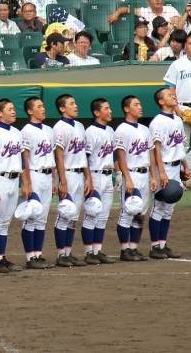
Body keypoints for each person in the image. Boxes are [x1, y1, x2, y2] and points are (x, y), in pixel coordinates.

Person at [0, 98, 28, 273]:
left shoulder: (17, 132)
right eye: (9, 109)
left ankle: (1, 257)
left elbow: (21, 162)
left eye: (13, 108)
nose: (13, 111)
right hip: (0, 179)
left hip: (14, 180)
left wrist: (25, 182)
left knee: (5, 223)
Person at [51, 94, 92, 267]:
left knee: (74, 216)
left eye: (75, 103)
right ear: (62, 108)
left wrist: (88, 176)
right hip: (67, 173)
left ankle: (68, 252)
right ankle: (61, 254)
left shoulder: (80, 126)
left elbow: (82, 155)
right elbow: (58, 157)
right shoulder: (59, 127)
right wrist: (63, 181)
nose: (75, 106)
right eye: (71, 103)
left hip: (79, 174)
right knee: (65, 214)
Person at [115, 96, 157, 262]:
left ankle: (133, 248)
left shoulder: (145, 130)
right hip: (131, 174)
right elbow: (120, 157)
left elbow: (151, 153)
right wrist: (127, 179)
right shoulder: (122, 130)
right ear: (126, 109)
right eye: (136, 104)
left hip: (145, 174)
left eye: (140, 104)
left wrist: (153, 176)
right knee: (128, 212)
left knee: (140, 214)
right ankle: (125, 249)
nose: (140, 107)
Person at [147, 88, 187, 259]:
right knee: (158, 207)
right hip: (163, 167)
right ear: (161, 101)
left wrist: (186, 166)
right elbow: (155, 147)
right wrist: (160, 172)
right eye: (169, 95)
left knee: (169, 208)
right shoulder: (158, 121)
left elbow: (180, 145)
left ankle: (163, 245)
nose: (173, 96)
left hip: (176, 167)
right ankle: (154, 246)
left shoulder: (177, 119)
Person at [20, 96, 57, 269]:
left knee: (42, 218)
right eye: (39, 106)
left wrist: (54, 179)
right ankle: (30, 257)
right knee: (31, 217)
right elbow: (24, 159)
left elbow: (51, 157)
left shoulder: (49, 130)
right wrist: (26, 182)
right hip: (34, 175)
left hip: (47, 176)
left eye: (43, 106)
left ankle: (38, 254)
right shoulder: (26, 131)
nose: (43, 109)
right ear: (30, 111)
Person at [83, 98, 117, 264]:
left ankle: (98, 251)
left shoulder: (110, 130)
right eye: (106, 108)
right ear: (97, 112)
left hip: (108, 176)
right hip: (95, 175)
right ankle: (88, 252)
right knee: (92, 213)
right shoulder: (90, 132)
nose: (110, 111)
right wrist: (88, 178)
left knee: (103, 216)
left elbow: (114, 155)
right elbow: (86, 158)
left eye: (109, 107)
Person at [109, 0, 180, 35]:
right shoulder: (144, 11)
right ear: (148, 1)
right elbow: (126, 9)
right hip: (150, 44)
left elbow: (177, 26)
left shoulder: (170, 9)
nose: (157, 0)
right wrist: (117, 13)